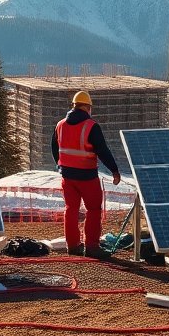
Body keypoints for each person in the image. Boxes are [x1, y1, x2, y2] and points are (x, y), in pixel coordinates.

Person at [51, 90, 121, 257]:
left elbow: (54, 148)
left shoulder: (60, 125)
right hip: (87, 177)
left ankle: (73, 246)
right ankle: (92, 247)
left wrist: (60, 166)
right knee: (94, 209)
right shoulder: (91, 126)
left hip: (67, 177)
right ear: (88, 107)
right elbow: (103, 151)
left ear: (73, 106)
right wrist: (114, 171)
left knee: (71, 209)